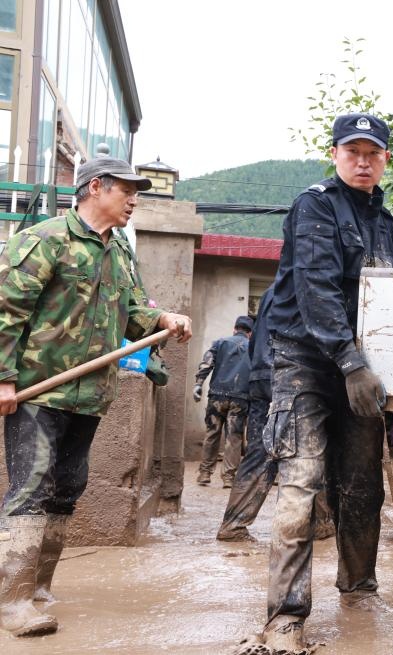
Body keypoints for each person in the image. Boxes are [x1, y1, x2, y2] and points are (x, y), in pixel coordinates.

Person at [0, 157, 192, 638]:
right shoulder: (45, 241)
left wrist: (163, 319)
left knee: (68, 489)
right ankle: (13, 600)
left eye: (137, 192)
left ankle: (40, 588)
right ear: (94, 188)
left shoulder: (120, 252)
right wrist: (3, 379)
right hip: (39, 390)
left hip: (91, 394)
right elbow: (6, 312)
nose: (134, 200)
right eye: (126, 190)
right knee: (31, 487)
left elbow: (132, 311)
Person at [256, 112, 393, 652]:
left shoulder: (384, 220)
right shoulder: (314, 204)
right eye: (352, 152)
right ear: (335, 155)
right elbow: (316, 289)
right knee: (301, 480)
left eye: (373, 153)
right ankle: (285, 617)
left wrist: (371, 365)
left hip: (360, 364)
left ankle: (358, 587)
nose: (362, 162)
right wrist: (350, 362)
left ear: (385, 159)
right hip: (306, 360)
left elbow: (383, 298)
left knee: (363, 484)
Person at [216, 287, 334, 543]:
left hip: (262, 377)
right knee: (312, 449)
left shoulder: (271, 290)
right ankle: (321, 524)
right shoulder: (312, 283)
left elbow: (255, 341)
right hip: (289, 377)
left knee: (261, 451)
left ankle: (234, 524)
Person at [192, 315, 253, 488]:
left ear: (235, 329)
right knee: (233, 438)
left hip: (217, 396)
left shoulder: (220, 343)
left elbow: (206, 364)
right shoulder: (253, 347)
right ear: (250, 333)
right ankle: (228, 477)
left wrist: (198, 384)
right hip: (240, 399)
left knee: (212, 433)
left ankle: (205, 474)